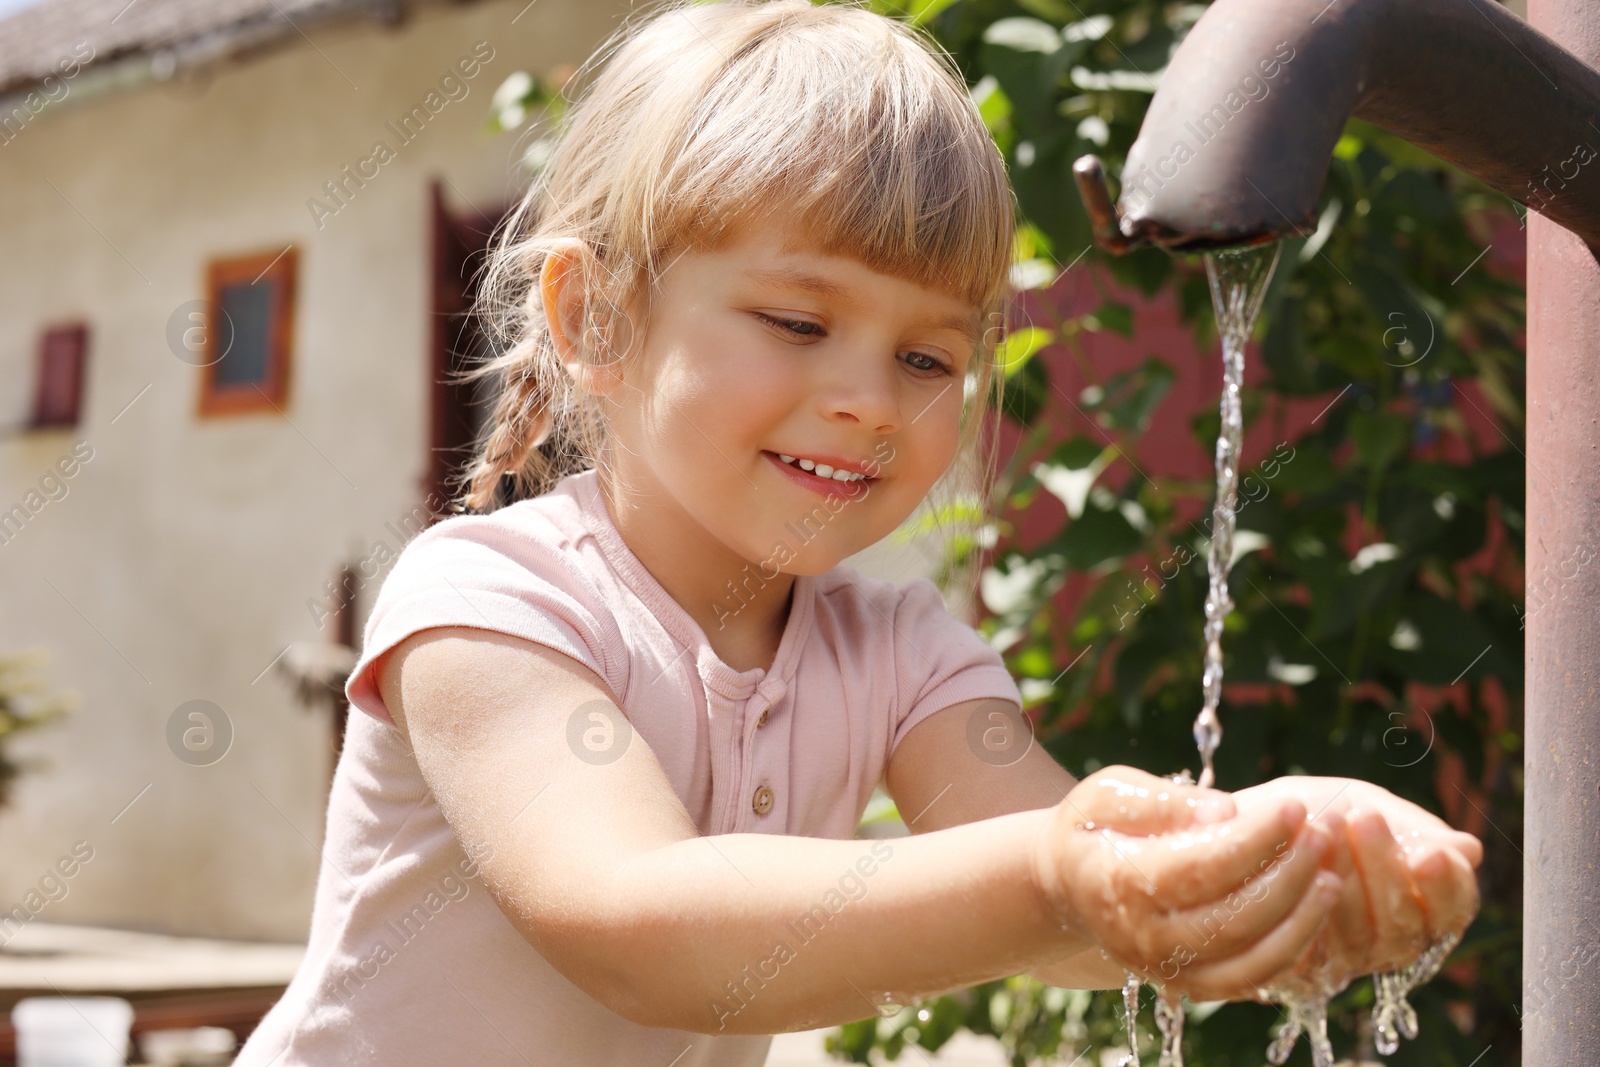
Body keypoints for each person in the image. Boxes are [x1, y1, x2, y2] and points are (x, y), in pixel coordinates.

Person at [233, 1, 1483, 1063]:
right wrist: (1064, 867)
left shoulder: (900, 655)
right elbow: (636, 921)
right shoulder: (489, 603)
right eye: (794, 321)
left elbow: (1073, 897)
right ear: (596, 316)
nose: (867, 398)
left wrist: (1288, 858)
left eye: (929, 353)